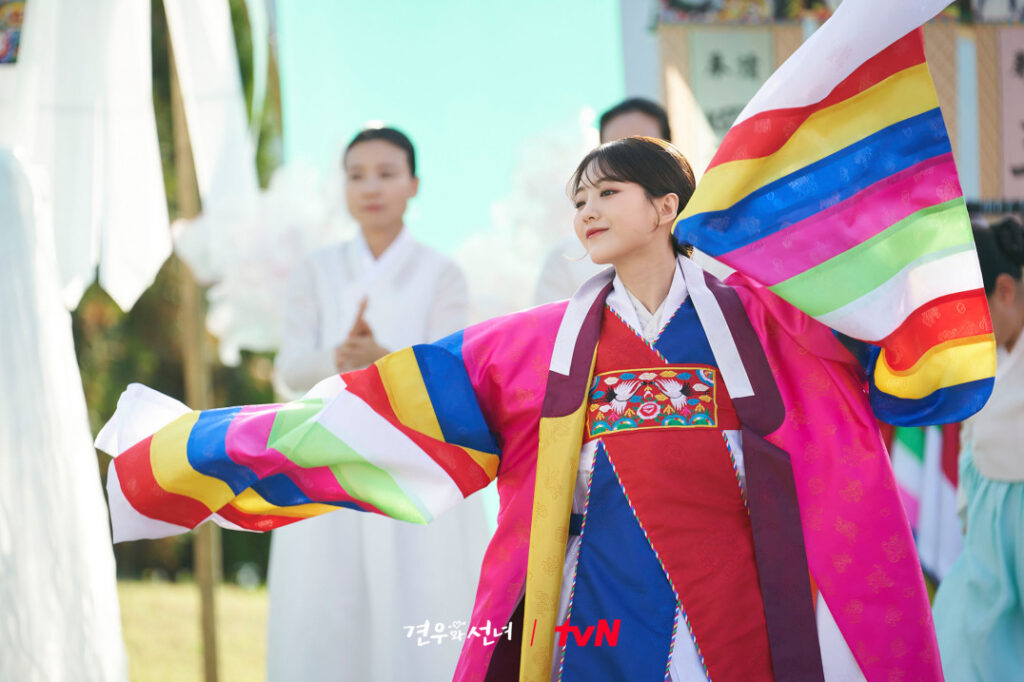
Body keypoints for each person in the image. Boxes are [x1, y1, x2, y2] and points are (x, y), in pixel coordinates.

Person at [99, 133, 991, 681]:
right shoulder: (535, 345)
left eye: (608, 192)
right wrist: (191, 451)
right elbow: (366, 417)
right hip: (595, 597)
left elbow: (881, 344)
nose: (587, 210)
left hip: (738, 597)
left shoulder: (762, 321)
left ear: (668, 206)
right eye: (579, 199)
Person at [267, 126, 491, 681]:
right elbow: (288, 370)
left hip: (412, 462)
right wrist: (339, 356)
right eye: (357, 175)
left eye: (387, 174)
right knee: (326, 610)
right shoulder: (315, 271)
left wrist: (383, 359)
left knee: (418, 605)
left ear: (413, 184)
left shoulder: (442, 273)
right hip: (327, 459)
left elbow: (453, 377)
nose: (371, 187)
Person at [932, 216, 1024, 682]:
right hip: (983, 589)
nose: (967, 333)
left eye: (971, 316)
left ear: (1004, 291)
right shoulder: (995, 367)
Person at [533, 97, 672, 305]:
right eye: (580, 203)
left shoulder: (710, 246)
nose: (628, 163)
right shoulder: (566, 261)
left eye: (642, 149)